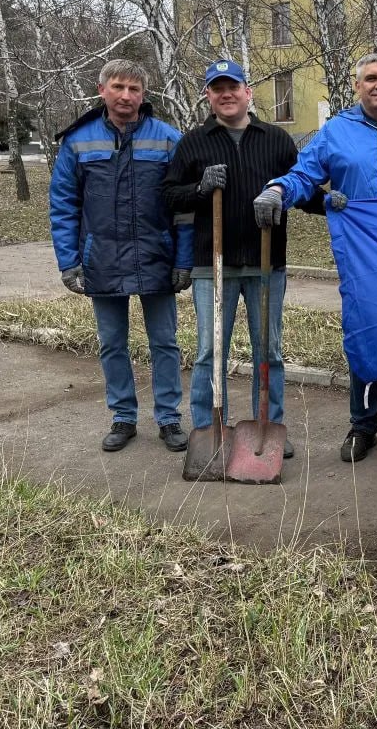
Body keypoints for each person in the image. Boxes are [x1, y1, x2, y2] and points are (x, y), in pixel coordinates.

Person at [257, 52, 377, 464]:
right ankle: (363, 425)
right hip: (361, 255)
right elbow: (303, 175)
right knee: (365, 335)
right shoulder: (336, 132)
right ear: (357, 85)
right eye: (370, 78)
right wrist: (278, 190)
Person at [161, 59, 323, 460]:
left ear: (249, 92)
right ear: (209, 97)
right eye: (217, 88)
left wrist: (334, 202)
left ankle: (268, 426)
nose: (227, 94)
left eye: (233, 86)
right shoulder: (194, 142)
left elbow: (299, 188)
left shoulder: (276, 140)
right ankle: (208, 428)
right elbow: (167, 195)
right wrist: (199, 188)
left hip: (267, 264)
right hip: (211, 266)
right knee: (209, 352)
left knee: (269, 350)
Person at [49, 59, 193, 453]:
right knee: (112, 343)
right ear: (102, 90)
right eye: (118, 87)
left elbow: (184, 208)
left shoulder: (168, 139)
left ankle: (169, 418)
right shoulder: (78, 141)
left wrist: (183, 259)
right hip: (103, 259)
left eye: (134, 89)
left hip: (156, 256)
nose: (126, 96)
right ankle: (123, 417)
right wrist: (69, 261)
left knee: (164, 342)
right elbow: (63, 204)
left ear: (144, 95)